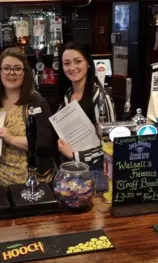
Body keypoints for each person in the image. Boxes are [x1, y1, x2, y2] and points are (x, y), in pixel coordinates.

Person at [55, 41, 116, 191]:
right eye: (67, 63)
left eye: (78, 61)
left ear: (88, 63)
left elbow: (111, 144)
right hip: (68, 170)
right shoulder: (66, 95)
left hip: (94, 173)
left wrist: (75, 155)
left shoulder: (101, 98)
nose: (72, 68)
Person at [0, 48, 55, 187]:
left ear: (25, 73)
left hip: (32, 184)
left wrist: (12, 139)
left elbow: (45, 143)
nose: (11, 73)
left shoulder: (37, 102)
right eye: (6, 68)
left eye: (17, 69)